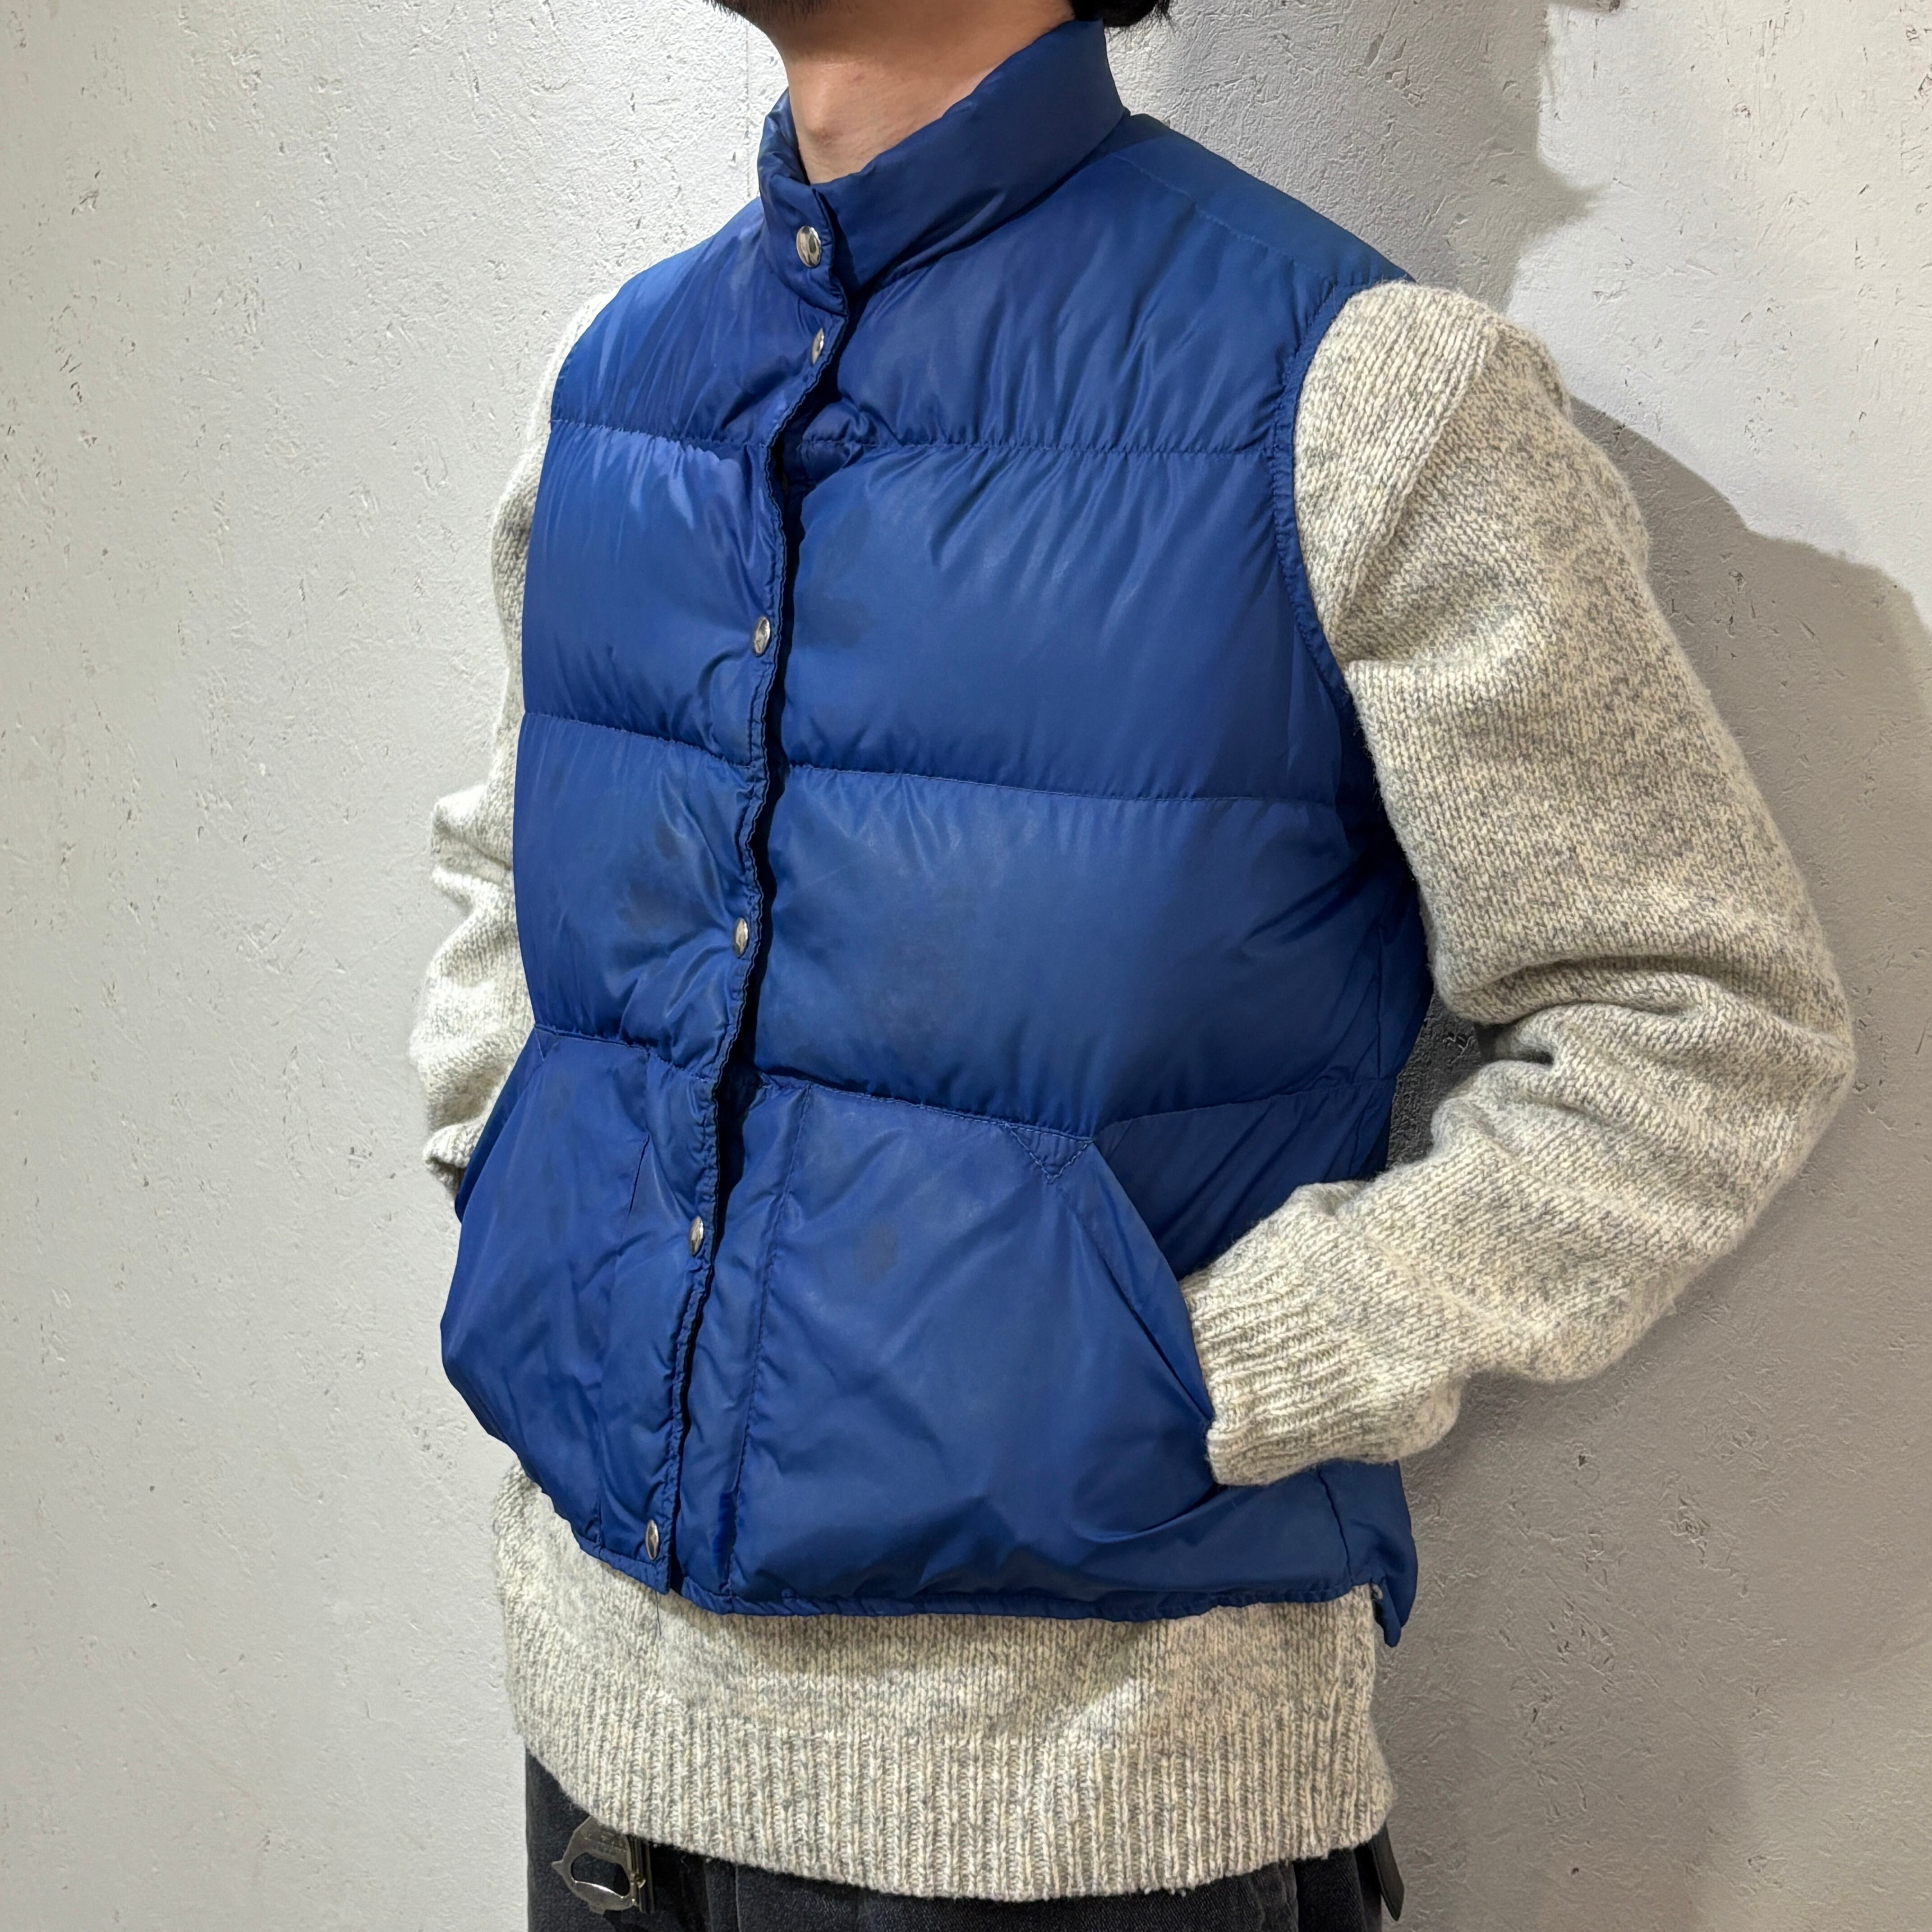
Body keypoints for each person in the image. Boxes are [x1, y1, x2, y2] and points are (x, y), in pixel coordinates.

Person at [408, 0, 1855, 1922]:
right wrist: (504, 1161)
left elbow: (1703, 1020)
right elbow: (512, 864)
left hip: (1091, 1830)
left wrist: (1224, 1366)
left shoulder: (1362, 393)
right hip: (599, 1772)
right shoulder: (617, 377)